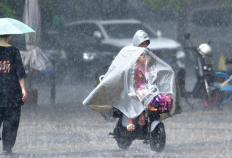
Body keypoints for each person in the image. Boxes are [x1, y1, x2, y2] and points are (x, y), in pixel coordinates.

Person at [0, 35, 27, 155]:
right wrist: (23, 89)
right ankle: (7, 148)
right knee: (11, 122)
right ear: (9, 36)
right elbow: (19, 72)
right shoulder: (14, 51)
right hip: (12, 93)